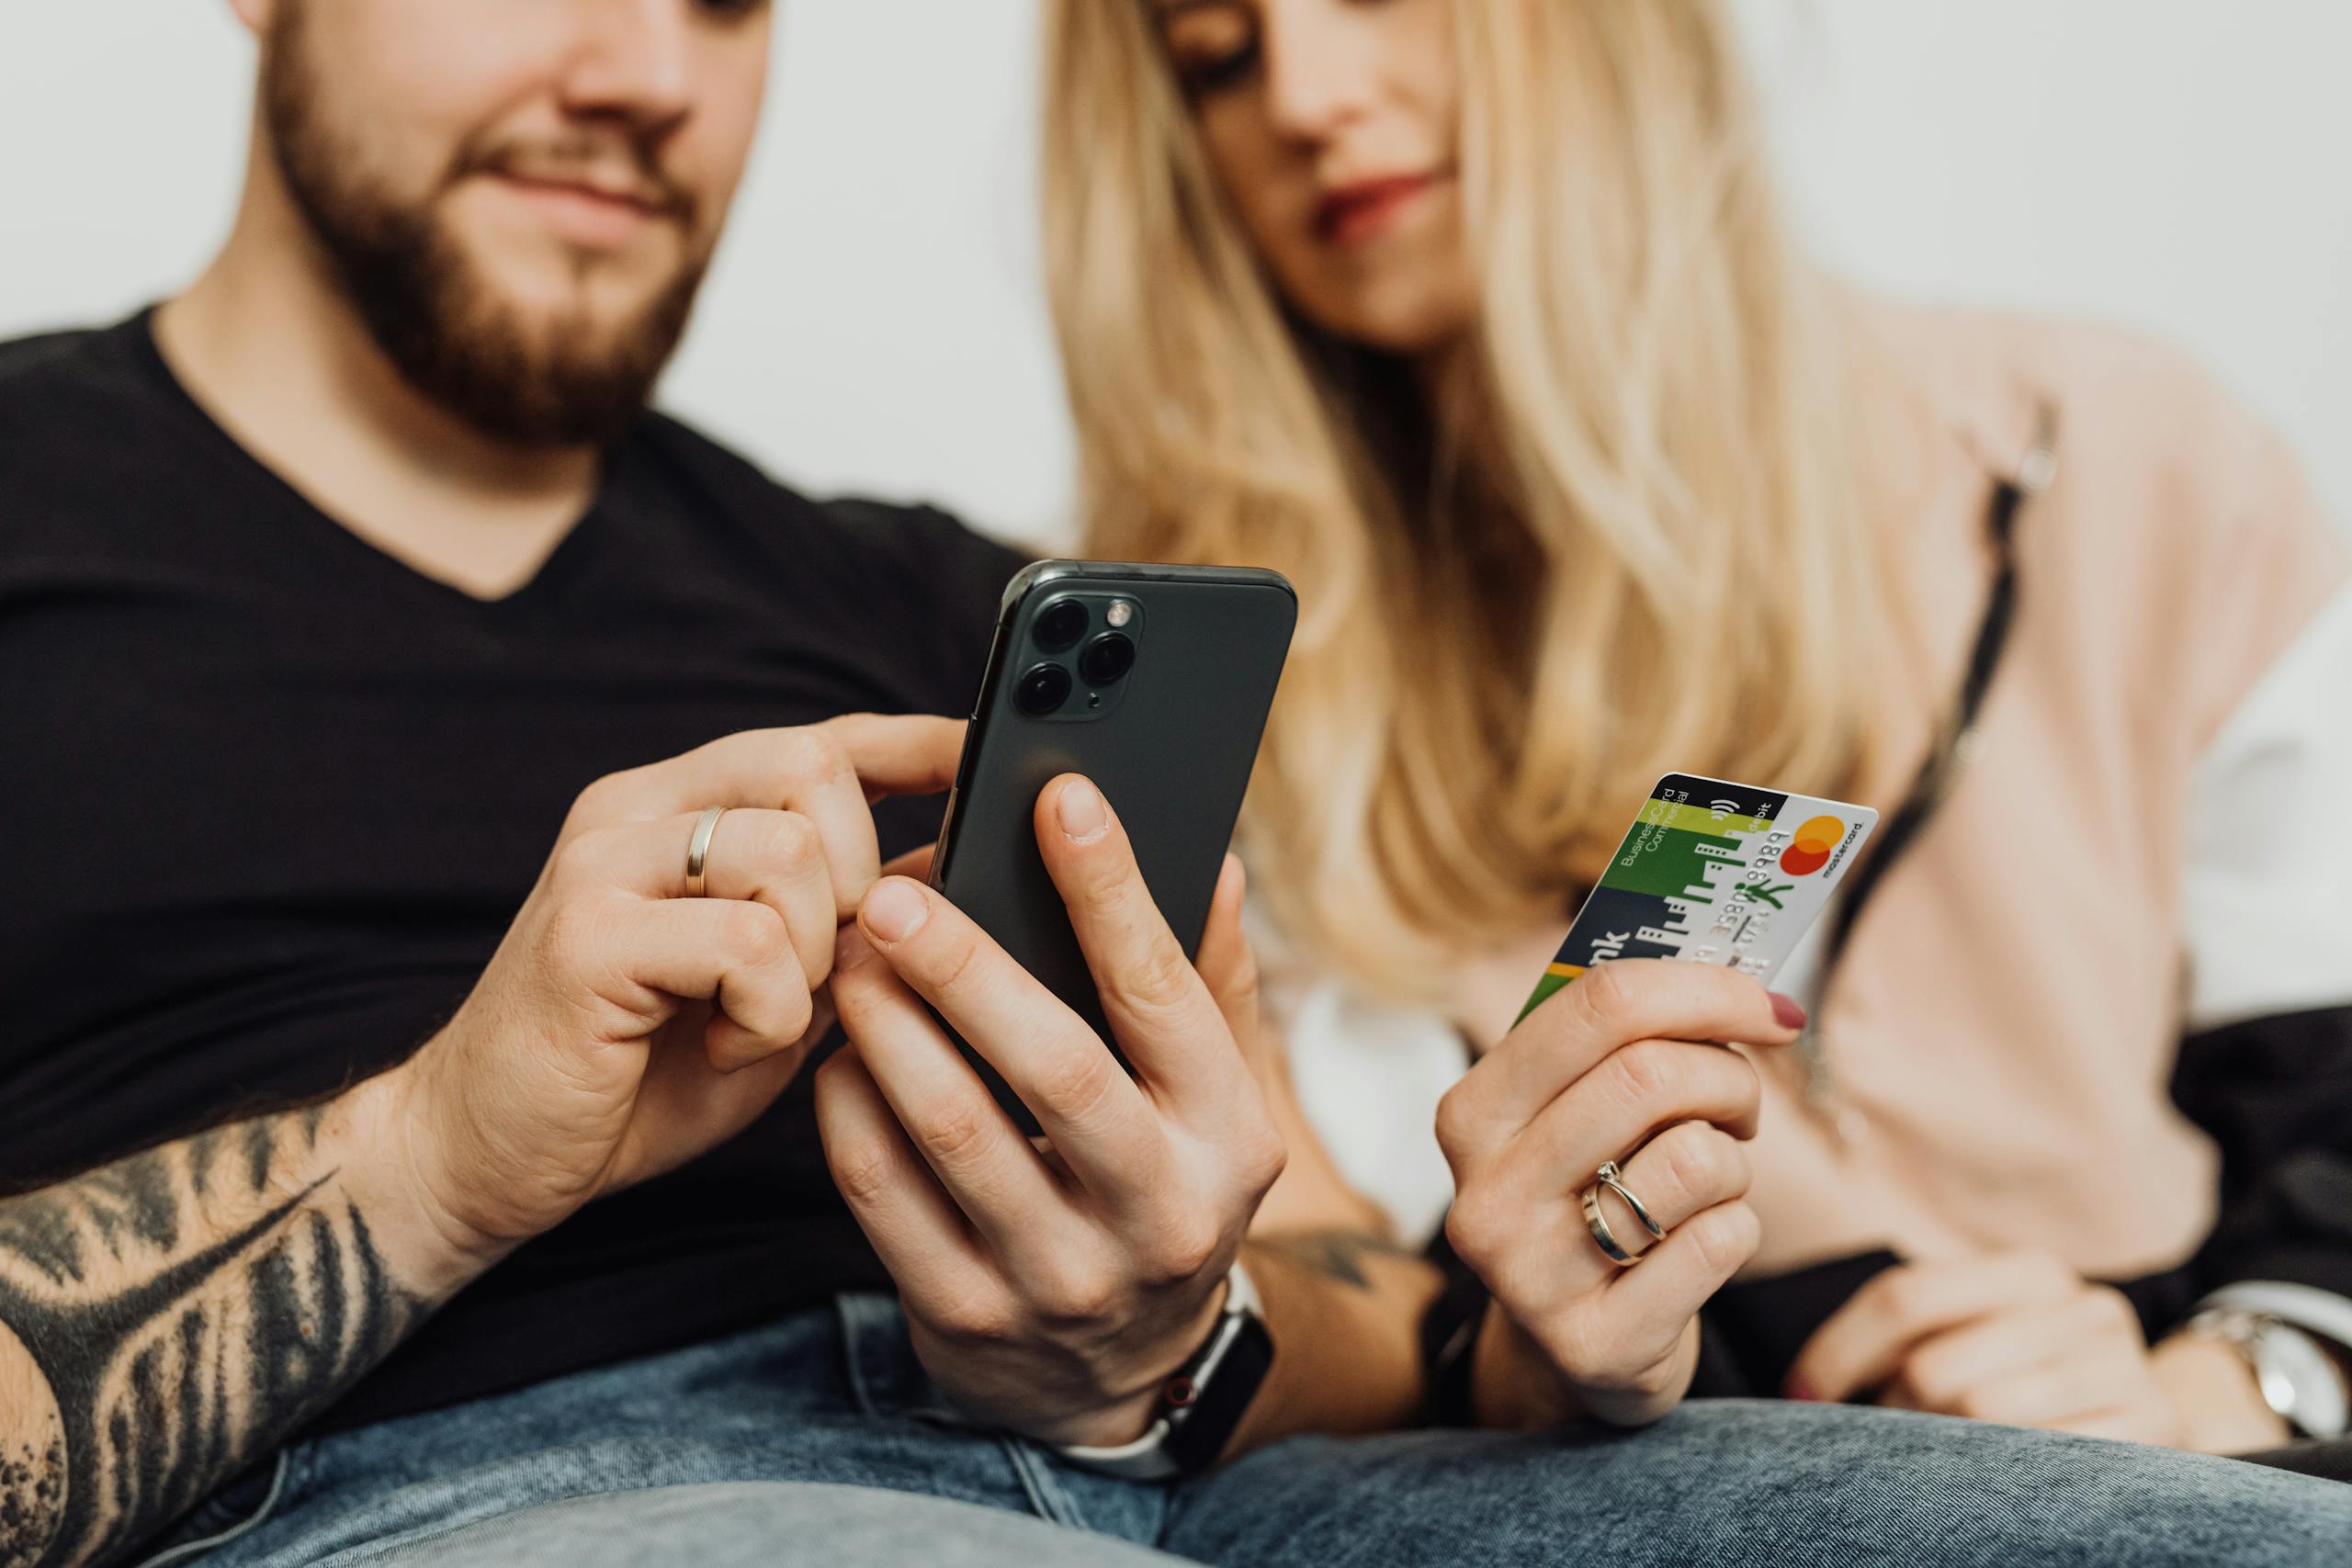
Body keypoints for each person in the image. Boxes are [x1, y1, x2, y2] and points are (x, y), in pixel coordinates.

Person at [3, 5, 2348, 1568]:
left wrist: (1155, 1329)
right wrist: (428, 1155)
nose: (639, 67)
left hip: (1188, 1486)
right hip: (452, 1473)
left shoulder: (955, 601)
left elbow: (1347, 1276)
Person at [1041, 0, 2352, 1453]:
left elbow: (2334, 1103)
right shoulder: (1255, 689)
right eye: (1217, 56)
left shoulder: (2120, 466)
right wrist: (1557, 1353)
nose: (1303, 95)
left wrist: (2236, 1381)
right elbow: (1385, 1314)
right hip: (1701, 1476)